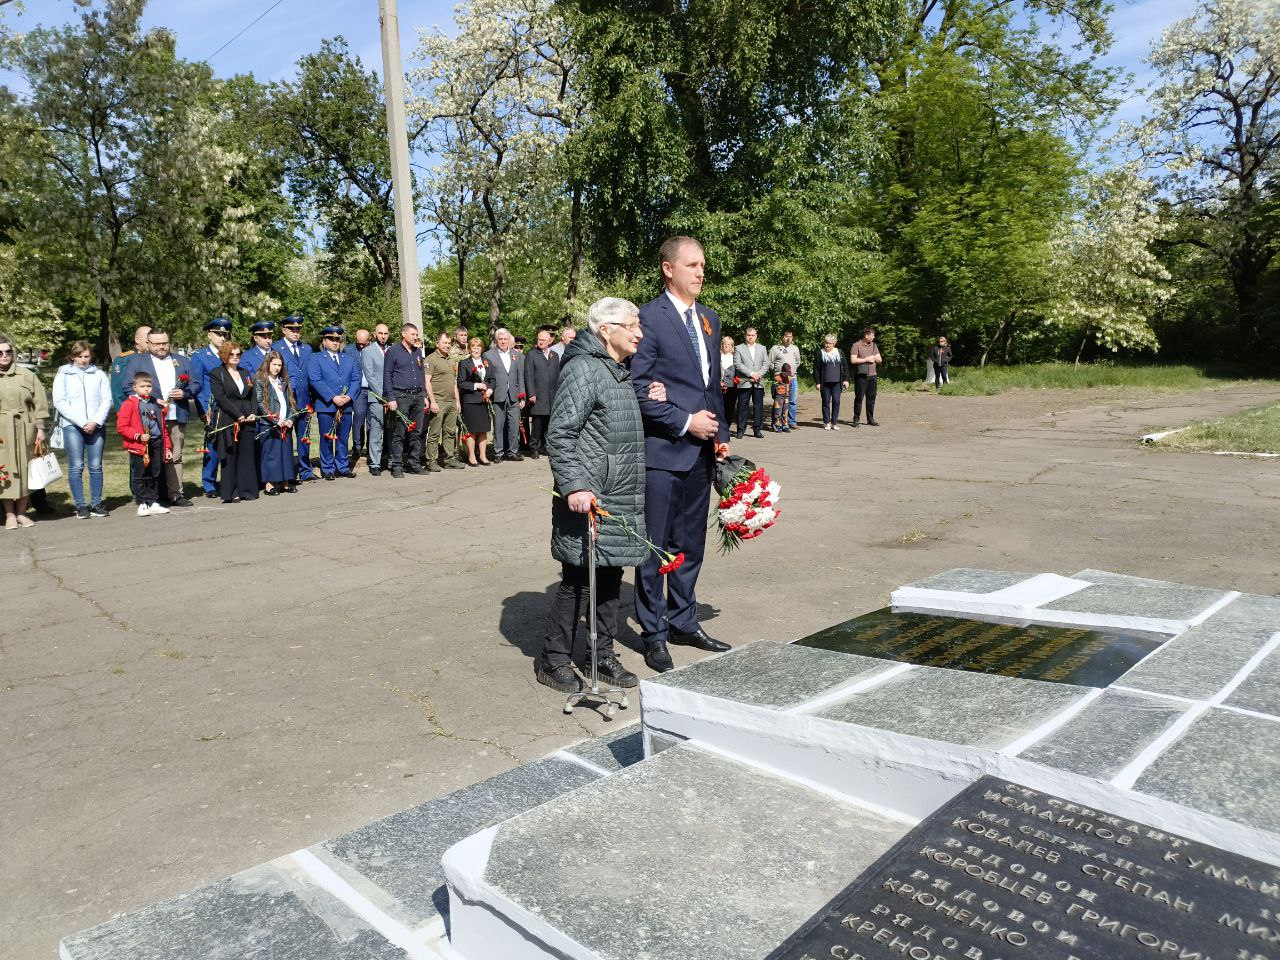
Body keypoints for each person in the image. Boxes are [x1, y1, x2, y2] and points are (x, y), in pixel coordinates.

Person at [537, 298, 654, 694]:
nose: (639, 332)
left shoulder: (616, 370)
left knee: (608, 578)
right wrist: (574, 485)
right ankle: (552, 660)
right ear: (606, 330)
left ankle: (600, 655)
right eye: (632, 326)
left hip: (617, 496)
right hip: (590, 497)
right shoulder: (586, 368)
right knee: (577, 581)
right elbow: (560, 433)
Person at [631, 236, 732, 673]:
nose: (700, 271)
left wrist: (719, 433)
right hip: (663, 452)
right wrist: (686, 422)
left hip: (702, 453)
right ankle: (653, 633)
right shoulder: (648, 319)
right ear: (668, 269)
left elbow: (711, 388)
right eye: (692, 265)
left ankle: (684, 620)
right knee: (654, 547)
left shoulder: (709, 319)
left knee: (690, 544)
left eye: (703, 265)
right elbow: (638, 388)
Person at [124, 329, 197, 506]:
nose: (162, 346)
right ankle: (149, 496)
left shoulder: (182, 361)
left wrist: (185, 393)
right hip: (149, 419)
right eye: (157, 343)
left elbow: (195, 384)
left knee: (175, 455)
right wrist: (151, 400)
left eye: (165, 342)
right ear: (148, 344)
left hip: (175, 415)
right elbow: (127, 387)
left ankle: (176, 494)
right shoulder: (136, 362)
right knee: (149, 456)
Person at [52, 342, 112, 519]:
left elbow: (106, 400)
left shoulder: (99, 374)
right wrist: (82, 421)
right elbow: (59, 401)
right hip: (72, 425)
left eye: (87, 356)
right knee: (76, 465)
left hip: (96, 425)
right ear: (72, 357)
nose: (84, 360)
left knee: (95, 465)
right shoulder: (64, 374)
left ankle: (96, 503)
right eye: (80, 356)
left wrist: (95, 421)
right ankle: (80, 505)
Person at [0, 334, 50, 529]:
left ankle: (21, 513)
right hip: (2, 431)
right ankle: (9, 515)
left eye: (8, 352)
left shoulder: (26, 375)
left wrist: (40, 428)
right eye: (0, 352)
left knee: (26, 470)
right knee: (4, 470)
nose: (5, 355)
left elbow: (40, 402)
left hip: (24, 428)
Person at [115, 371, 172, 517]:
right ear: (135, 387)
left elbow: (162, 425)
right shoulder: (129, 404)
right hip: (138, 445)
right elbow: (122, 426)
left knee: (155, 473)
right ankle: (142, 503)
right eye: (142, 386)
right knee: (140, 474)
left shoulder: (155, 403)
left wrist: (167, 446)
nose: (146, 388)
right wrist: (138, 436)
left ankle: (153, 501)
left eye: (149, 386)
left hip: (156, 441)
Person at [308, 325, 361, 480]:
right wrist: (333, 397)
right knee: (326, 438)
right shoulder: (316, 358)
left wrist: (349, 396)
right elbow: (315, 380)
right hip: (326, 405)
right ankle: (328, 468)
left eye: (337, 339)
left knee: (343, 437)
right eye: (331, 339)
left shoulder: (349, 359)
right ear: (324, 341)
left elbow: (356, 379)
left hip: (346, 405)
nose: (335, 342)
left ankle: (342, 467)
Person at [209, 341, 259, 503]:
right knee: (230, 455)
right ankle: (232, 491)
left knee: (247, 454)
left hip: (248, 419)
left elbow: (252, 395)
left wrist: (253, 413)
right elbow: (221, 398)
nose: (236, 357)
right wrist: (238, 414)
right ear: (224, 356)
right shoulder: (217, 373)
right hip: (229, 419)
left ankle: (247, 490)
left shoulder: (245, 373)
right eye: (232, 354)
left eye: (238, 354)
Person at [189, 317, 231, 498]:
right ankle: (209, 484)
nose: (222, 338)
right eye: (219, 334)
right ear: (209, 335)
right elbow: (197, 386)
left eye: (225, 334)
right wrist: (202, 412)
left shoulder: (231, 354)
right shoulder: (200, 356)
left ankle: (229, 480)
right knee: (212, 447)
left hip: (230, 407)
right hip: (211, 409)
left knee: (230, 445)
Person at [273, 316, 316, 482]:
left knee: (304, 437)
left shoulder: (306, 349)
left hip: (304, 399)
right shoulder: (277, 348)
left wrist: (312, 399)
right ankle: (288, 473)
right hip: (286, 400)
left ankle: (306, 470)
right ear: (284, 330)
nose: (296, 332)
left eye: (298, 329)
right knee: (286, 438)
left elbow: (310, 375)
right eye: (292, 329)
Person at [382, 323, 426, 478]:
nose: (415, 337)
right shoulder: (392, 351)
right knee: (399, 433)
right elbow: (387, 376)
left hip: (418, 396)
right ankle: (397, 465)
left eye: (416, 334)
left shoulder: (418, 352)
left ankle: (414, 463)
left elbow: (421, 374)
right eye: (413, 334)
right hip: (401, 397)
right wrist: (391, 398)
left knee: (417, 432)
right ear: (403, 334)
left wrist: (424, 396)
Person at [255, 350, 299, 494]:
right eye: (274, 364)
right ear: (268, 364)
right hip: (270, 424)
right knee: (271, 455)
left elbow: (291, 402)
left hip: (285, 423)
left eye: (280, 365)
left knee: (285, 454)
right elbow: (261, 404)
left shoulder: (283, 381)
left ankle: (285, 483)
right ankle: (269, 484)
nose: (277, 368)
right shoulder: (260, 380)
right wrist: (275, 420)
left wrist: (291, 418)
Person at [484, 328, 526, 462]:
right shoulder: (488, 355)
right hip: (497, 394)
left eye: (505, 339)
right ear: (497, 340)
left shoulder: (517, 355)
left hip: (514, 396)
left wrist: (522, 395)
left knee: (514, 425)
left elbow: (521, 377)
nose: (503, 341)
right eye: (500, 339)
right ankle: (498, 453)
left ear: (509, 340)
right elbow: (487, 377)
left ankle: (513, 451)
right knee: (498, 425)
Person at [424, 331, 464, 471]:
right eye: (444, 343)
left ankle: (449, 459)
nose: (447, 345)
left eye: (448, 343)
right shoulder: (431, 359)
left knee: (450, 432)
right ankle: (431, 460)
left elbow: (454, 383)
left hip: (451, 401)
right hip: (438, 401)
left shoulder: (451, 360)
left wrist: (457, 401)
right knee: (434, 433)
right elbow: (427, 382)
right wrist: (433, 402)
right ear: (437, 344)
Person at [456, 336, 495, 467]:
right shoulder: (464, 363)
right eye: (473, 347)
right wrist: (476, 386)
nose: (476, 349)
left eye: (478, 347)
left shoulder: (487, 362)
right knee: (472, 430)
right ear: (469, 349)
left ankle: (483, 456)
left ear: (482, 349)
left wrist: (490, 389)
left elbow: (492, 379)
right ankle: (472, 456)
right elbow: (460, 383)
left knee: (483, 430)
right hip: (470, 401)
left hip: (484, 401)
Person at [524, 328, 560, 459]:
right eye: (539, 339)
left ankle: (545, 447)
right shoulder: (531, 354)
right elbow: (528, 375)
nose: (541, 342)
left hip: (551, 396)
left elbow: (557, 374)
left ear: (550, 341)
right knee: (537, 423)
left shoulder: (554, 355)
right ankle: (534, 448)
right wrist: (531, 393)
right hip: (538, 395)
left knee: (548, 424)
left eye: (544, 340)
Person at [361, 323, 391, 475]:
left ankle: (391, 460)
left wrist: (392, 395)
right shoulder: (367, 351)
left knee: (392, 430)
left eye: (386, 333)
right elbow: (370, 375)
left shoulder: (392, 350)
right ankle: (375, 463)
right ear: (375, 334)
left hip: (392, 398)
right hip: (377, 397)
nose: (383, 336)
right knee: (376, 430)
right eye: (380, 333)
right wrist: (383, 395)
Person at [733, 326, 768, 439]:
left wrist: (759, 374)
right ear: (745, 336)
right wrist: (752, 373)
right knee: (742, 406)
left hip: (759, 382)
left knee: (758, 407)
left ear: (756, 336)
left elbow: (766, 364)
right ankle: (740, 430)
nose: (751, 337)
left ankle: (757, 429)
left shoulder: (762, 348)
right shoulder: (739, 348)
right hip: (744, 382)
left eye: (753, 335)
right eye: (749, 335)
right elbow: (738, 364)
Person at [343, 328, 371, 465]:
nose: (360, 346)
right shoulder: (348, 350)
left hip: (372, 389)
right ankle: (357, 447)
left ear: (369, 341)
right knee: (359, 416)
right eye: (358, 343)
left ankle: (371, 448)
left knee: (372, 421)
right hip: (358, 390)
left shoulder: (374, 350)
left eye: (363, 344)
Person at [108, 325, 150, 410]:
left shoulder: (154, 358)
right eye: (147, 341)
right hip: (132, 410)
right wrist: (123, 412)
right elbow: (118, 391)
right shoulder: (123, 360)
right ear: (137, 340)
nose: (151, 344)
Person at [815, 334, 849, 430]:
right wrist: (818, 382)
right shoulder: (820, 353)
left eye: (830, 343)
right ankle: (827, 422)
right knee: (825, 402)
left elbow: (845, 367)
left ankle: (834, 422)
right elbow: (816, 369)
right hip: (824, 383)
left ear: (834, 344)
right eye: (826, 343)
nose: (827, 345)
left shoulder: (839, 352)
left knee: (836, 401)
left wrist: (846, 380)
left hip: (837, 383)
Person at [851, 327, 883, 427]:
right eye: (872, 335)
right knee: (859, 398)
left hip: (873, 376)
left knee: (871, 399)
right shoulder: (856, 345)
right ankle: (856, 419)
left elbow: (880, 359)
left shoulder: (874, 345)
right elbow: (853, 360)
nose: (874, 337)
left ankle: (870, 419)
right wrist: (866, 359)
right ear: (866, 335)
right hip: (861, 376)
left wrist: (875, 358)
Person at [769, 330, 801, 430]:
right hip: (780, 380)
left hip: (792, 379)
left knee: (791, 401)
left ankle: (790, 422)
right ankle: (776, 422)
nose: (788, 338)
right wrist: (775, 375)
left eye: (790, 336)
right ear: (782, 337)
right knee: (778, 402)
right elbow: (770, 363)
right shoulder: (775, 348)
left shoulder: (795, 349)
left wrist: (792, 374)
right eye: (786, 336)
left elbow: (798, 362)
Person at [718, 335, 738, 429]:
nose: (727, 346)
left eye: (729, 344)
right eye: (725, 344)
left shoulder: (735, 358)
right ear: (722, 345)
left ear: (732, 346)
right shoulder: (717, 356)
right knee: (718, 407)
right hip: (718, 386)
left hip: (731, 387)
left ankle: (726, 427)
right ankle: (718, 427)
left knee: (729, 408)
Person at [772, 363, 793, 433]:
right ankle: (777, 425)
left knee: (785, 412)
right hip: (778, 397)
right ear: (782, 371)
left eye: (788, 373)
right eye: (786, 373)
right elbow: (773, 388)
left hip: (786, 397)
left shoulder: (789, 378)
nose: (787, 375)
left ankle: (785, 425)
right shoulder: (777, 378)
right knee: (778, 411)